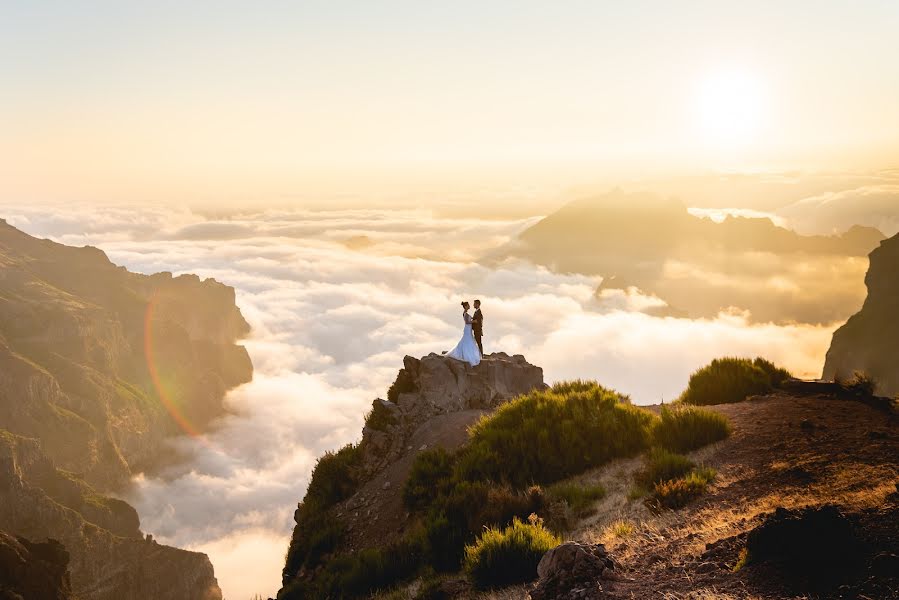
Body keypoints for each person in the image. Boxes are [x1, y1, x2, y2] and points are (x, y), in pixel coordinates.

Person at [446, 301, 481, 366]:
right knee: (467, 341)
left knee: (468, 341)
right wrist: (474, 321)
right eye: (468, 305)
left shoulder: (466, 313)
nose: (469, 306)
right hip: (467, 329)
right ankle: (466, 354)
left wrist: (473, 321)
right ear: (465, 306)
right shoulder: (465, 313)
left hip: (469, 329)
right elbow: (467, 322)